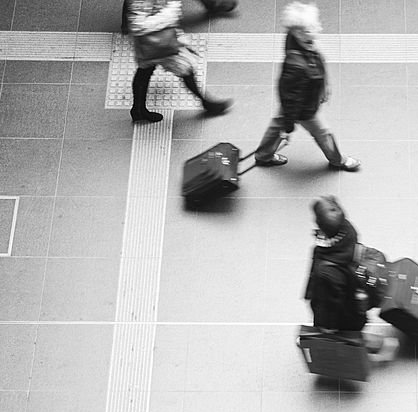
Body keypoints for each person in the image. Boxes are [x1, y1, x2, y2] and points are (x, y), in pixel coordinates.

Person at [253, 2, 360, 171]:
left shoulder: (298, 40)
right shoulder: (296, 66)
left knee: (278, 124)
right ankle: (337, 160)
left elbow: (292, 93)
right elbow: (292, 97)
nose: (320, 27)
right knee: (323, 133)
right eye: (313, 26)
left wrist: (324, 85)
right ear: (299, 32)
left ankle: (263, 155)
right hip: (305, 108)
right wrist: (289, 128)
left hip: (299, 100)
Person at [305, 196, 396, 359]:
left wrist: (327, 327)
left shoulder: (327, 272)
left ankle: (376, 347)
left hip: (346, 313)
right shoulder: (347, 231)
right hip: (356, 295)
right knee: (352, 329)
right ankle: (372, 345)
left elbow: (331, 304)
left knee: (346, 335)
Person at [122, 0, 232, 123]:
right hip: (157, 43)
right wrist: (170, 13)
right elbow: (137, 25)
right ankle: (206, 103)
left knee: (145, 71)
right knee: (185, 67)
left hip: (156, 42)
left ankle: (138, 110)